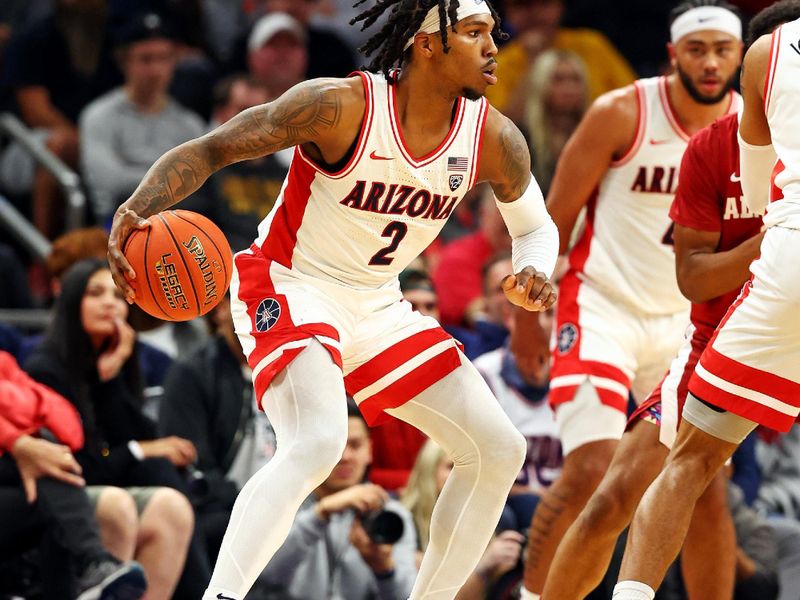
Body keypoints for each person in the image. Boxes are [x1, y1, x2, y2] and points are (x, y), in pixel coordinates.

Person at [107, 1, 561, 598]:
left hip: (379, 303)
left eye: (491, 33)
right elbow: (215, 148)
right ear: (428, 44)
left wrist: (533, 269)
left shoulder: (493, 137)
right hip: (290, 283)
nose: (492, 46)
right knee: (319, 441)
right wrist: (139, 207)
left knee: (501, 449)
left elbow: (535, 227)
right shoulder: (340, 106)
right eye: (474, 33)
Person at [518, 2, 745, 597]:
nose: (712, 61)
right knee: (593, 471)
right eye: (698, 49)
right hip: (602, 306)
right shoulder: (622, 111)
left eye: (724, 48)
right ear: (674, 55)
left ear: (742, 55)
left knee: (704, 486)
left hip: (687, 324)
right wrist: (524, 319)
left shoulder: (755, 128)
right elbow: (553, 219)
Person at [610, 2, 800, 597]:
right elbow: (694, 274)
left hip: (788, 257)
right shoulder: (695, 145)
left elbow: (758, 167)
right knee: (654, 476)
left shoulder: (769, 53)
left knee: (689, 461)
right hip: (683, 304)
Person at [24, 259, 206, 599]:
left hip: (102, 486)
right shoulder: (45, 370)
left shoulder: (108, 366)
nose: (110, 303)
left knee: (172, 506)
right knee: (120, 502)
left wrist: (111, 377)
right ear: (71, 302)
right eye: (96, 293)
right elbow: (78, 467)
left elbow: (140, 437)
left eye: (117, 296)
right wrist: (139, 450)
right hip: (55, 500)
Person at [0, 350, 147, 600]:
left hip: (27, 482)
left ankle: (94, 567)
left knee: (49, 459)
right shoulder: (45, 364)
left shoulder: (4, 362)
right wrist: (17, 439)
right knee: (52, 470)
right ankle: (94, 562)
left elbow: (69, 429)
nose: (112, 308)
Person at [258, 400, 417, 598]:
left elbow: (408, 596)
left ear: (370, 450)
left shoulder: (390, 514)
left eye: (355, 445)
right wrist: (320, 513)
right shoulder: (284, 505)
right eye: (336, 446)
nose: (345, 456)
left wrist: (384, 568)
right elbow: (263, 577)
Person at [159, 294, 276, 563]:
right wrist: (249, 504)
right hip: (228, 509)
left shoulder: (288, 368)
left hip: (288, 502)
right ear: (220, 311)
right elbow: (196, 470)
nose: (257, 309)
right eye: (245, 299)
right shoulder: (192, 374)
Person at [79, 11, 205, 226]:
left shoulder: (190, 124)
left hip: (178, 224)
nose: (156, 70)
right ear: (124, 61)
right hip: (116, 223)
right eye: (145, 59)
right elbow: (109, 182)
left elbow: (205, 183)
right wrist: (175, 183)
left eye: (163, 58)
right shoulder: (99, 115)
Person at [401, 439, 526, 600]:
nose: (463, 477)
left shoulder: (499, 517)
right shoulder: (405, 519)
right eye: (451, 467)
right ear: (428, 470)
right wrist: (483, 567)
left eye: (472, 468)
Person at [523, 49, 589, 196]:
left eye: (575, 79)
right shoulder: (521, 139)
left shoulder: (595, 138)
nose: (569, 89)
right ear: (541, 85)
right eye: (558, 80)